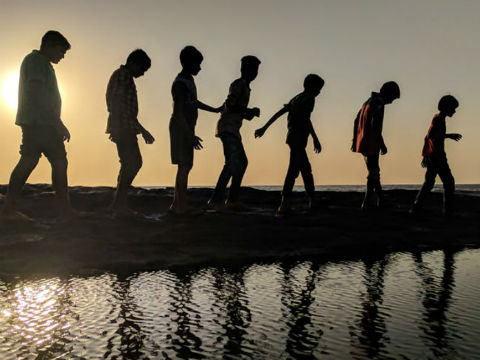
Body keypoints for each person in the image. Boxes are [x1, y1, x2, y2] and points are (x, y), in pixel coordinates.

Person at [1, 30, 74, 220]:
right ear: (49, 45)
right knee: (54, 161)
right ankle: (63, 211)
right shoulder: (36, 61)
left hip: (40, 122)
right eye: (60, 51)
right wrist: (58, 123)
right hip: (40, 123)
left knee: (31, 160)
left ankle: (10, 208)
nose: (62, 56)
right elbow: (36, 91)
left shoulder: (42, 64)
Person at [255, 74, 324, 214]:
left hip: (292, 138)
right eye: (318, 88)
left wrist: (264, 127)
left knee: (304, 169)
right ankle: (285, 203)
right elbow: (306, 119)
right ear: (311, 87)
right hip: (298, 139)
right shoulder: (309, 99)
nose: (319, 92)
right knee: (296, 170)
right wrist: (315, 138)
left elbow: (279, 113)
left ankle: (309, 200)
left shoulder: (296, 98)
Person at [169, 46, 221, 215]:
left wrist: (215, 109)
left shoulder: (189, 81)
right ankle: (180, 206)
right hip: (180, 127)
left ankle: (177, 204)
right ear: (188, 63)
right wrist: (189, 135)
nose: (200, 67)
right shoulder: (180, 84)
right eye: (197, 64)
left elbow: (195, 102)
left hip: (187, 127)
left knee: (186, 166)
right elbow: (177, 113)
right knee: (184, 166)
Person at [106, 49, 155, 217]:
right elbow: (117, 104)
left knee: (128, 163)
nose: (142, 74)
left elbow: (127, 110)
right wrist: (119, 127)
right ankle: (119, 204)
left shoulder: (124, 76)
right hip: (123, 127)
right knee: (133, 163)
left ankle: (118, 203)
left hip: (126, 125)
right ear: (134, 63)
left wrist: (142, 130)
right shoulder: (123, 76)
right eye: (142, 70)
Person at [208, 56, 261, 210]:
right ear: (244, 69)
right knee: (231, 164)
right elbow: (230, 105)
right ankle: (216, 200)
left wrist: (248, 114)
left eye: (256, 70)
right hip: (227, 128)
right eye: (252, 69)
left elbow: (237, 110)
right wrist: (248, 110)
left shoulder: (245, 87)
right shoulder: (238, 85)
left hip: (233, 129)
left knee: (241, 163)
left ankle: (231, 200)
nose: (255, 73)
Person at [351, 81, 400, 210]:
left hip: (362, 141)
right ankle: (367, 202)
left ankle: (380, 199)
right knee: (373, 172)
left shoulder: (367, 101)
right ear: (389, 94)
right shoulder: (378, 102)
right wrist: (382, 143)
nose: (392, 102)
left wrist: (354, 139)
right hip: (371, 142)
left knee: (374, 171)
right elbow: (376, 124)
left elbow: (356, 120)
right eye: (393, 98)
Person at [410, 95, 461, 216]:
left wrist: (425, 155)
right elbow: (431, 136)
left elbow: (427, 137)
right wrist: (449, 136)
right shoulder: (438, 119)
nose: (454, 111)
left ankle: (416, 207)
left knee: (429, 182)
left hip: (433, 155)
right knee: (449, 182)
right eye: (453, 108)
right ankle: (448, 210)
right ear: (446, 108)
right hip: (437, 156)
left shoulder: (438, 118)